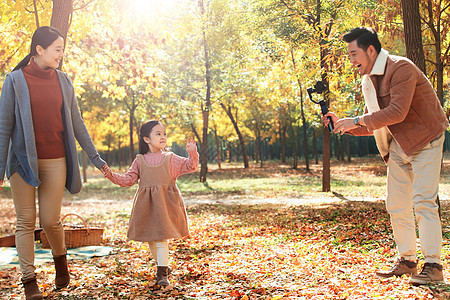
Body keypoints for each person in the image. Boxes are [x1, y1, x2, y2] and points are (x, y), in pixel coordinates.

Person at [323, 27, 448, 285]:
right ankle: (408, 261)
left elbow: (397, 112)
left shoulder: (401, 68)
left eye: (354, 53)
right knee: (396, 204)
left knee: (423, 201)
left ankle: (433, 266)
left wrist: (355, 119)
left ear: (371, 50)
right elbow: (375, 123)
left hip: (426, 138)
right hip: (400, 144)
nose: (351, 60)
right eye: (348, 55)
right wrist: (344, 126)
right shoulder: (368, 80)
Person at [0, 26, 109, 300]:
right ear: (40, 49)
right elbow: (3, 127)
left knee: (50, 220)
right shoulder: (14, 81)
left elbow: (77, 124)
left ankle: (60, 261)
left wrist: (96, 158)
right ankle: (29, 282)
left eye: (62, 49)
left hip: (56, 160)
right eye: (57, 49)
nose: (61, 54)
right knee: (25, 222)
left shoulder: (64, 81)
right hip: (22, 162)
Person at [103, 119, 199, 287]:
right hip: (147, 205)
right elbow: (128, 179)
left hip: (166, 203)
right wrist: (111, 175)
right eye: (158, 134)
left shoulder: (170, 158)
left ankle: (162, 273)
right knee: (152, 239)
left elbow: (189, 166)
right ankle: (163, 266)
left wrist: (192, 153)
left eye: (164, 134)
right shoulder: (139, 160)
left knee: (161, 238)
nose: (163, 137)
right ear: (146, 139)